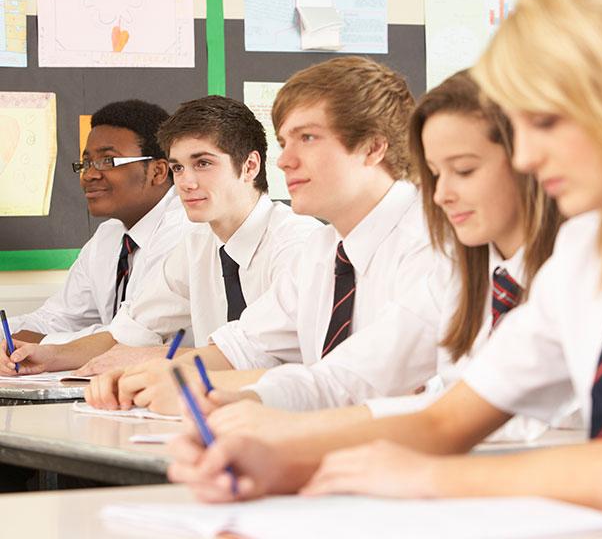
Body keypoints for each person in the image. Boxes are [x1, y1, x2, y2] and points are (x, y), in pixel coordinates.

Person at [167, 0, 602, 536]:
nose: (525, 158)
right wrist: (284, 458)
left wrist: (423, 478)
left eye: (547, 122)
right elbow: (449, 418)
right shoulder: (591, 245)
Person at [190, 71, 563, 444]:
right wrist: (250, 401)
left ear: (531, 161)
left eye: (464, 170)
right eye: (434, 174)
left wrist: (303, 429)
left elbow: (500, 417)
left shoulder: (564, 272)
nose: (441, 195)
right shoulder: (464, 273)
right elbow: (351, 374)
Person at [85, 56, 436, 415]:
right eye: (285, 142)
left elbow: (356, 381)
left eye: (308, 138)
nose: (284, 161)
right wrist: (155, 374)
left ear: (373, 147)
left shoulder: (432, 246)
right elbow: (246, 346)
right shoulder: (324, 249)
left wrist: (197, 383)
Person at [4, 95, 319, 375]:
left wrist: (149, 361)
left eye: (203, 163)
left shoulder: (298, 243)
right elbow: (132, 329)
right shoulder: (198, 244)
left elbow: (258, 354)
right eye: (179, 167)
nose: (186, 182)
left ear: (250, 166)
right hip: (215, 411)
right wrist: (48, 356)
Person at [4, 99, 184, 350]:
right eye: (86, 162)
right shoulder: (108, 235)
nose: (89, 174)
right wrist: (7, 336)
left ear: (158, 171)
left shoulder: (184, 231)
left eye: (108, 161)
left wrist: (43, 343)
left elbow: (137, 334)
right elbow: (58, 318)